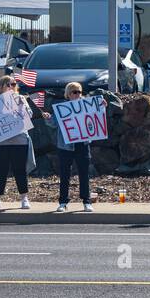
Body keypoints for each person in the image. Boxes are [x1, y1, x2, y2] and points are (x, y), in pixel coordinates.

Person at [0, 75, 41, 210]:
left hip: (19, 141)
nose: (12, 87)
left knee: (19, 170)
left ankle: (24, 198)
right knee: (0, 171)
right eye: (9, 84)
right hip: (0, 143)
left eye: (14, 84)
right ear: (1, 86)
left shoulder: (20, 99)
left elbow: (30, 115)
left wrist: (22, 107)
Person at [47, 81, 94, 213]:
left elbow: (95, 118)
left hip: (83, 144)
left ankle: (87, 201)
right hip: (65, 146)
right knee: (65, 175)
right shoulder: (62, 108)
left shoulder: (87, 105)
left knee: (84, 174)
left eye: (79, 91)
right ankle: (63, 202)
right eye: (74, 92)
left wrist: (102, 107)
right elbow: (54, 124)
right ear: (68, 94)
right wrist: (48, 118)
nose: (78, 94)